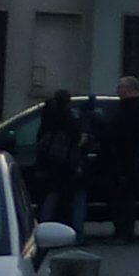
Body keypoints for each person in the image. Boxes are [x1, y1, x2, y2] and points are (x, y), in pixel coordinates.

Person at [90, 73, 139, 242]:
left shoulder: (132, 110)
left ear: (130, 89)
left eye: (121, 87)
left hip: (123, 162)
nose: (118, 90)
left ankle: (124, 233)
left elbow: (118, 134)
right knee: (119, 198)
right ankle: (121, 232)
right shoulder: (129, 108)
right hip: (122, 161)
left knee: (123, 199)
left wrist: (100, 126)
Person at [31, 89, 85, 232]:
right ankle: (72, 231)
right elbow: (76, 138)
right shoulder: (69, 118)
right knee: (61, 198)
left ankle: (42, 228)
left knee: (48, 198)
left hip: (46, 162)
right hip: (64, 164)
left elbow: (40, 138)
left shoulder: (47, 115)